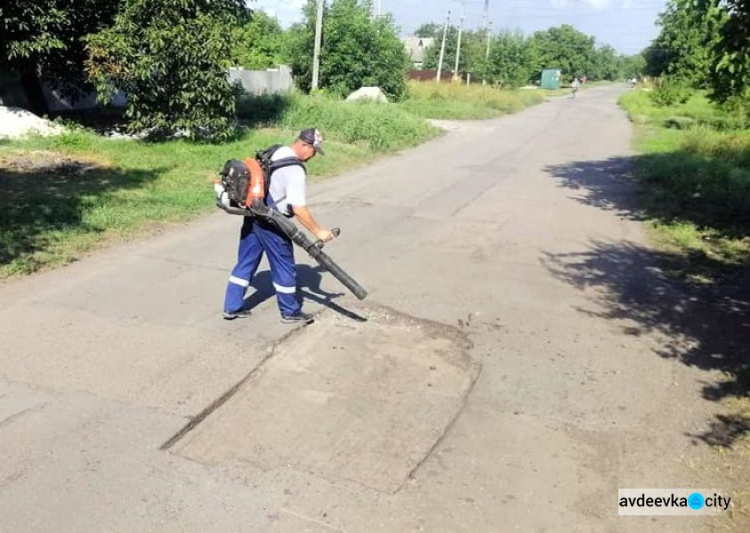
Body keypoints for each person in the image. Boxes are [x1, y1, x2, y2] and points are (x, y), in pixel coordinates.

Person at [222, 128, 335, 324]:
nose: (314, 155)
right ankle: (290, 312)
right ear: (303, 145)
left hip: (254, 214)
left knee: (246, 261)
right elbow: (298, 208)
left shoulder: (277, 151)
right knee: (285, 266)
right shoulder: (295, 170)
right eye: (313, 150)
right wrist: (319, 231)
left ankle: (232, 306)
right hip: (273, 221)